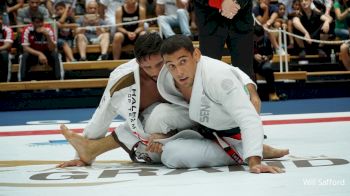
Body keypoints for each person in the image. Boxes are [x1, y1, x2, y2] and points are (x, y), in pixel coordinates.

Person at [57, 32, 265, 168]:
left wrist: (250, 88)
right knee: (155, 125)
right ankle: (90, 149)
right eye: (147, 68)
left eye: (160, 65)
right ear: (137, 63)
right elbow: (102, 115)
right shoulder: (124, 79)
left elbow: (223, 70)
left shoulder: (179, 63)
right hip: (181, 126)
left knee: (159, 123)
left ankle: (247, 146)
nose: (156, 72)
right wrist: (81, 153)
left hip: (212, 120)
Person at [157, 35, 287, 173]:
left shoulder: (217, 76)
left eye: (183, 61)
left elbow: (248, 118)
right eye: (171, 66)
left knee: (172, 155)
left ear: (196, 54)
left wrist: (254, 160)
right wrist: (158, 136)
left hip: (230, 126)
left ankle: (245, 149)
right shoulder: (165, 78)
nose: (179, 72)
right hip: (200, 124)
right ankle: (245, 147)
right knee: (156, 120)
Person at [193, 0, 256, 80]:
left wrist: (237, 3)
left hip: (241, 18)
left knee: (245, 74)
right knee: (209, 74)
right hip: (210, 19)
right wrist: (219, 3)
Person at [19, 12, 61, 81]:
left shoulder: (48, 29)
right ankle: (23, 81)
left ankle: (57, 81)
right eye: (37, 22)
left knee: (55, 55)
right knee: (25, 56)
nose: (40, 24)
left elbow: (52, 48)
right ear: (32, 23)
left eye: (41, 22)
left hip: (47, 54)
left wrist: (47, 36)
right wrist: (39, 54)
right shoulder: (27, 29)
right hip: (33, 54)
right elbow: (25, 48)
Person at [253, 25, 280, 101]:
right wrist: (253, 56)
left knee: (268, 68)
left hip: (262, 63)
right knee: (250, 71)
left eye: (260, 38)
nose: (258, 40)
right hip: (251, 63)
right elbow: (242, 53)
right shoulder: (247, 40)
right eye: (257, 38)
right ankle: (254, 94)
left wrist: (266, 57)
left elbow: (271, 55)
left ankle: (272, 93)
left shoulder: (266, 39)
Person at [0, 13, 14, 82]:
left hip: (5, 54)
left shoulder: (7, 29)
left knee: (4, 53)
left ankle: (5, 82)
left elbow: (8, 45)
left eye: (0, 19)